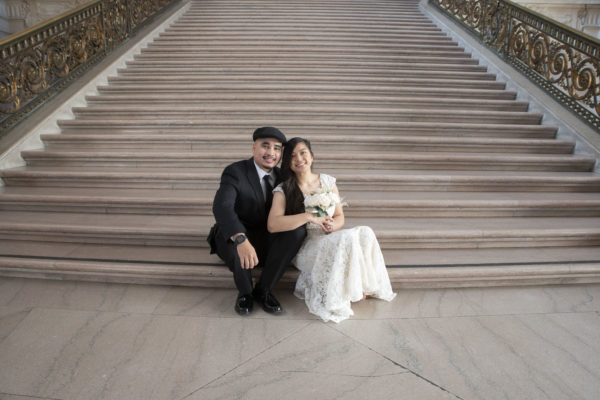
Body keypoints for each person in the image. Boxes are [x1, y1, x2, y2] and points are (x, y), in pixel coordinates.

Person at [267, 137, 396, 323]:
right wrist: (310, 217)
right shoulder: (284, 189)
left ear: (311, 156)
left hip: (329, 236)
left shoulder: (327, 181)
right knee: (345, 239)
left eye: (303, 152)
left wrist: (332, 225)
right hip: (307, 245)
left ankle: (365, 286)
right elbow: (273, 224)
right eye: (292, 155)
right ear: (287, 162)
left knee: (364, 231)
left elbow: (339, 216)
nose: (299, 158)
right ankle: (347, 292)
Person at [208, 127, 307, 316]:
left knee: (298, 231)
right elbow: (222, 207)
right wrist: (241, 239)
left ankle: (264, 289)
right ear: (254, 148)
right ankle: (245, 293)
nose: (271, 153)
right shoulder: (235, 171)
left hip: (266, 236)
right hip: (236, 234)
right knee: (233, 237)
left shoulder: (283, 177)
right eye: (265, 146)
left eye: (277, 148)